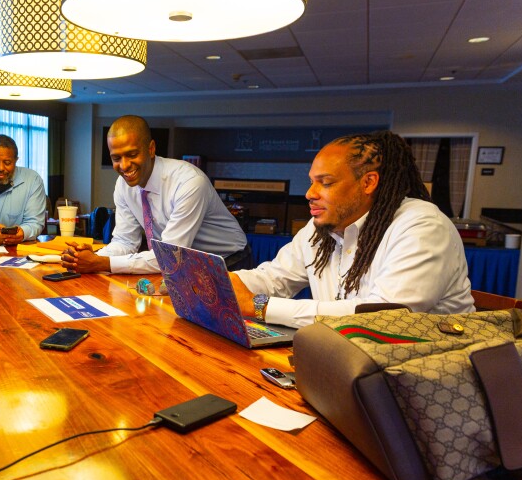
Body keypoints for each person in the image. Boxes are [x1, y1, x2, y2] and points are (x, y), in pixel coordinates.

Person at [230, 130, 474, 329]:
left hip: (420, 372)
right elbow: (275, 277)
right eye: (311, 182)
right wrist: (223, 282)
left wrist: (260, 306)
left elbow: (382, 317)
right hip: (349, 361)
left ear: (368, 182)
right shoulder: (320, 228)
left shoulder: (422, 226)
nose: (310, 194)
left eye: (326, 183)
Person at [61, 115, 249, 275]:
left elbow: (169, 256)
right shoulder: (123, 185)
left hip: (228, 260)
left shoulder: (189, 182)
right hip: (181, 261)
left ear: (151, 149)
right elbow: (125, 241)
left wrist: (100, 263)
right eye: (116, 158)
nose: (124, 166)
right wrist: (90, 258)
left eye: (132, 154)